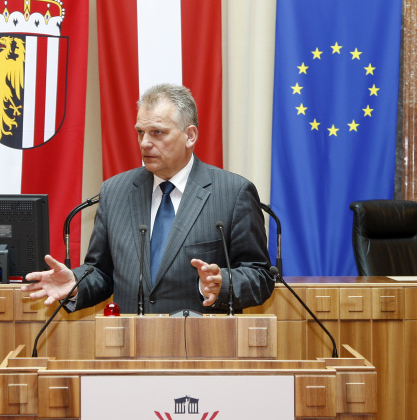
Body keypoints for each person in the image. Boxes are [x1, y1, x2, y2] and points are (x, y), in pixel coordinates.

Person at [22, 83, 274, 314]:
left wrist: (223, 284)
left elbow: (260, 276)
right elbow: (101, 271)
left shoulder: (232, 193)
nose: (144, 143)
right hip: (131, 349)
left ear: (190, 136)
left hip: (201, 349)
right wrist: (77, 283)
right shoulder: (115, 191)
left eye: (157, 133)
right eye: (141, 132)